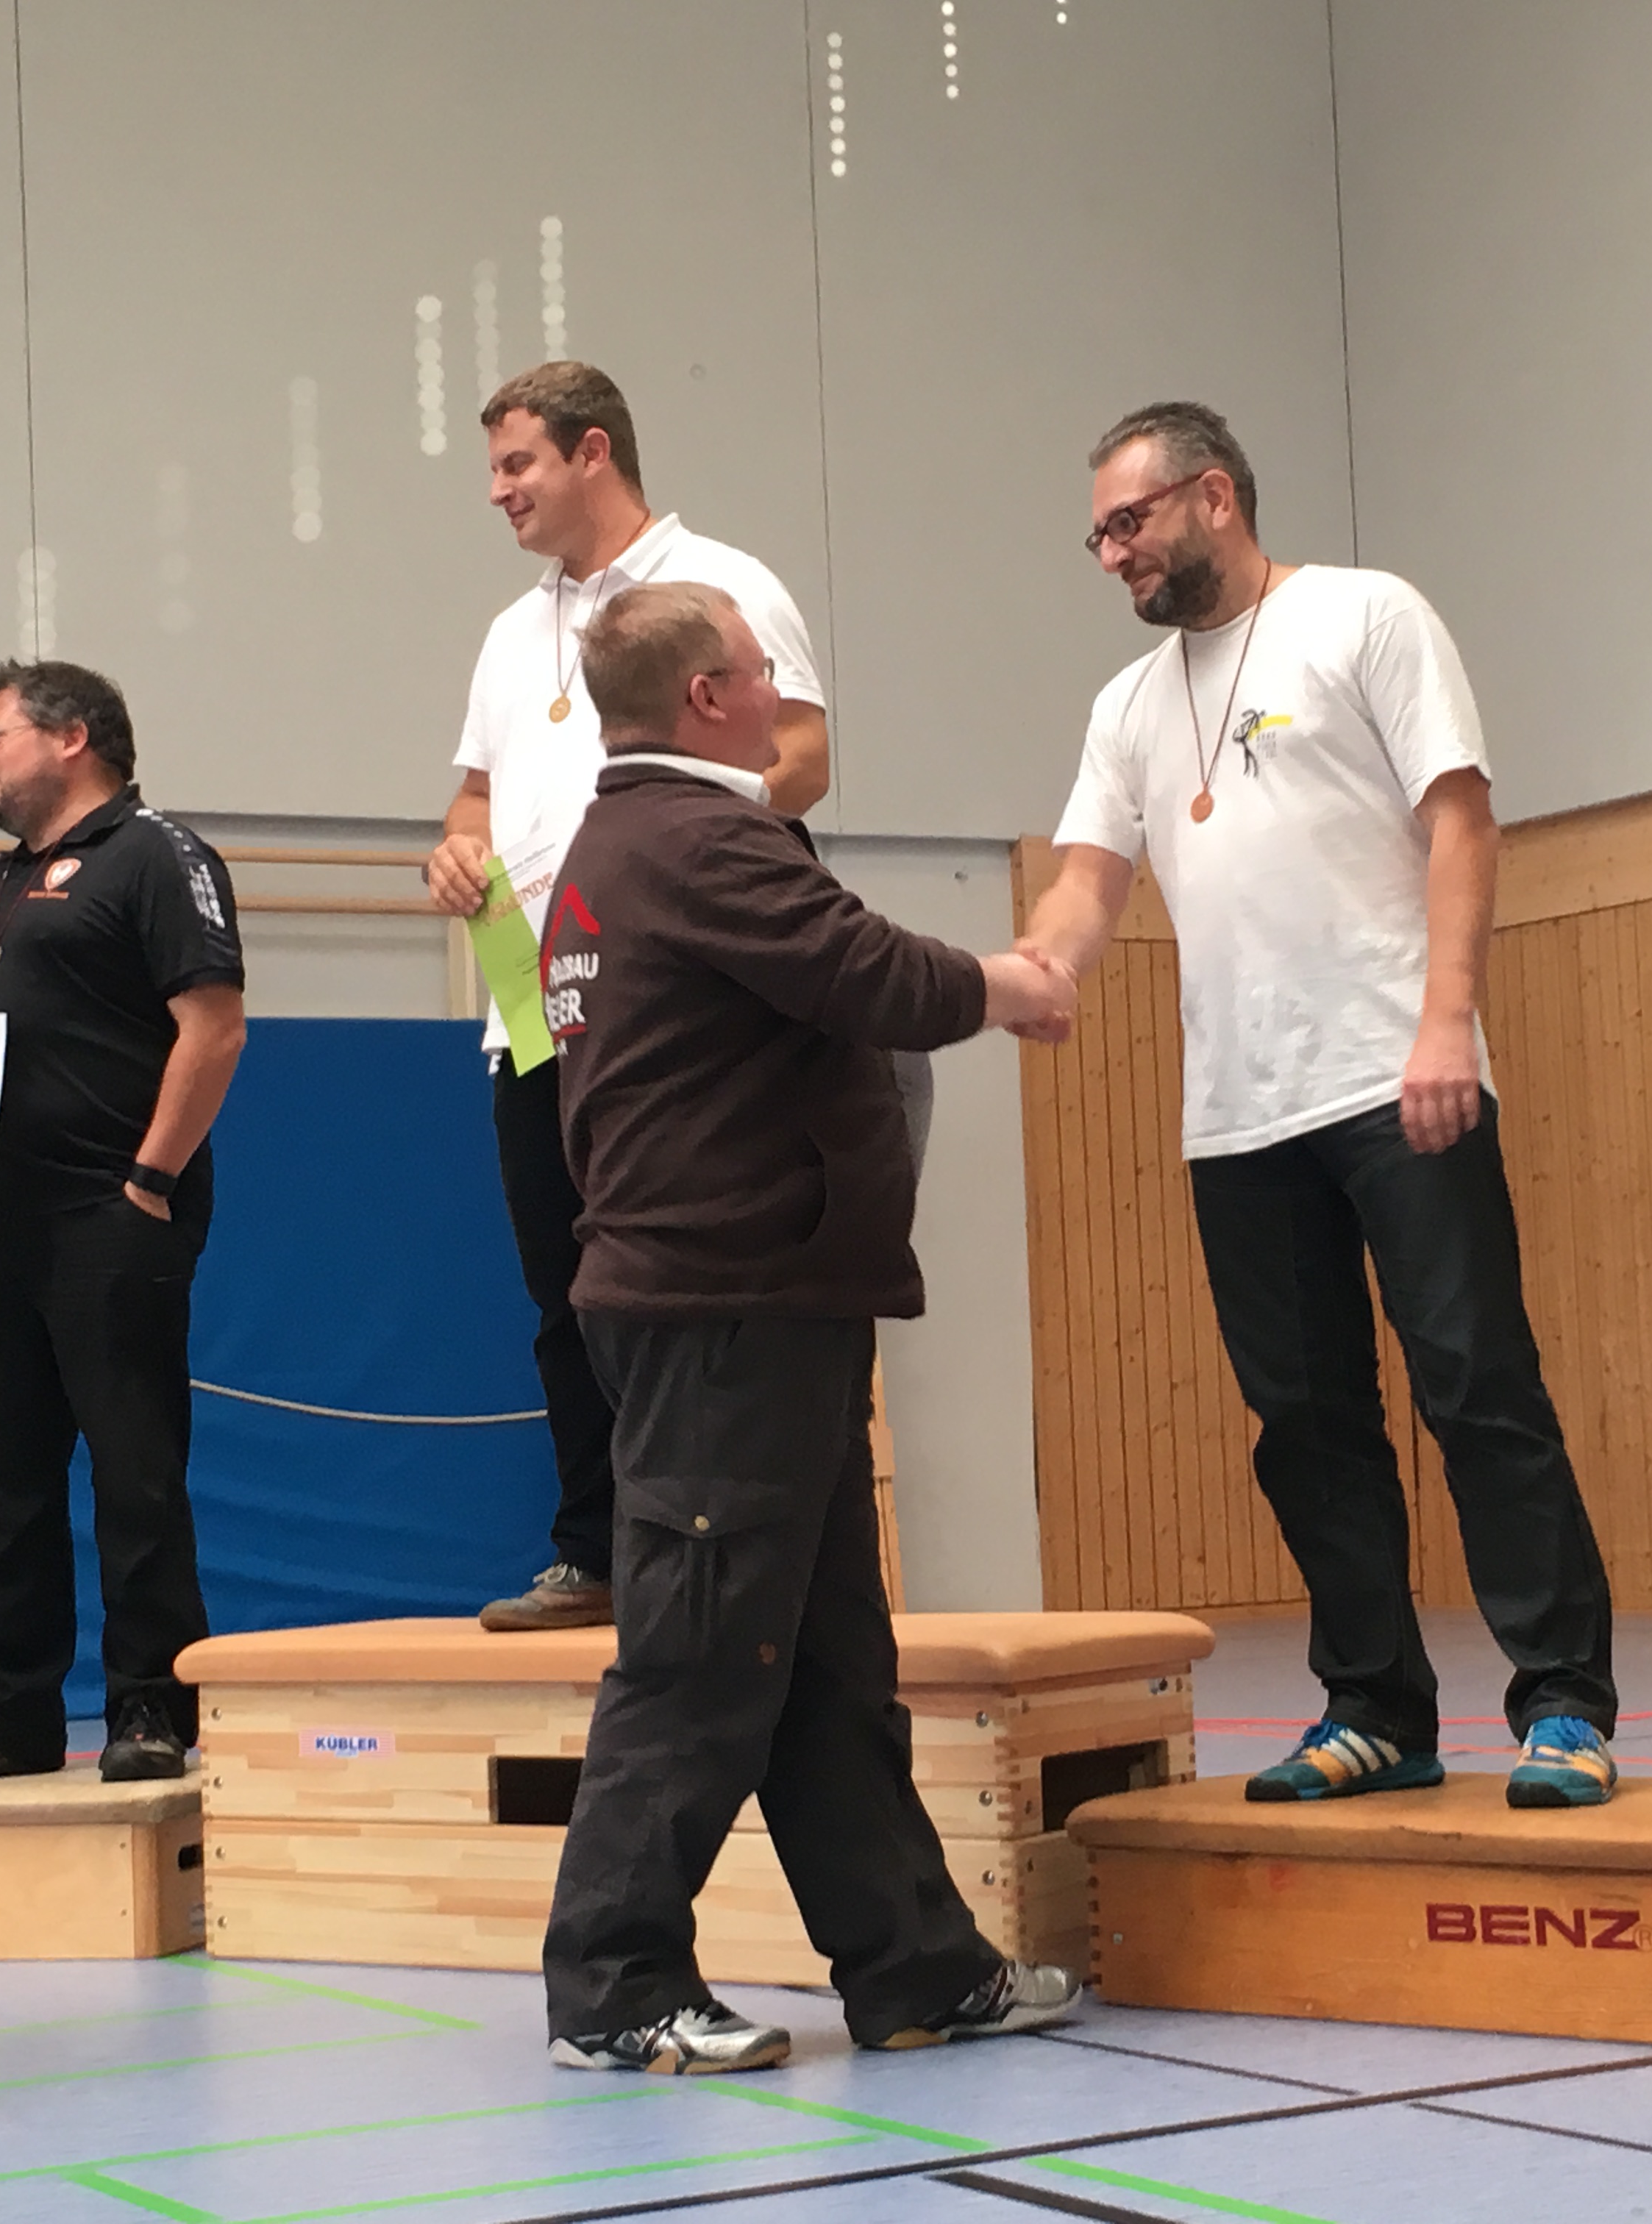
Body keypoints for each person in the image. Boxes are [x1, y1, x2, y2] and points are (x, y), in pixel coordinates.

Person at [1020, 402, 1621, 1809]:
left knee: (1476, 1387)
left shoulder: (1364, 616)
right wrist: (1036, 969)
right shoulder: (1125, 707)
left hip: (1395, 1074)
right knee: (1305, 1426)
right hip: (1238, 1117)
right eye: (1095, 535)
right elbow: (1088, 878)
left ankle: (1562, 1702)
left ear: (1213, 496)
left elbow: (1460, 819)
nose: (1110, 555)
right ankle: (1374, 1706)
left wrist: (1445, 1020)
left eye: (1127, 522)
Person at [535, 580, 1078, 2072]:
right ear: (707, 697)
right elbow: (866, 971)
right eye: (761, 668)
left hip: (769, 1305)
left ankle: (915, 1967)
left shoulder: (621, 843)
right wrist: (1009, 984)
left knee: (829, 1661)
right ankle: (614, 1981)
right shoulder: (700, 838)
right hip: (722, 1314)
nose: (781, 689)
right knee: (700, 1653)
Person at [424, 361, 834, 1635]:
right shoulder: (510, 634)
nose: (498, 492)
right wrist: (455, 853)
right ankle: (595, 1548)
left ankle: (703, 1547)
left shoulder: (721, 582)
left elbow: (805, 756)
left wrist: (667, 848)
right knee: (564, 1288)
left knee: (683, 1282)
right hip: (528, 1000)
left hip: (670, 1005)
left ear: (592, 451)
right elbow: (474, 802)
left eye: (517, 465)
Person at [0, 661, 246, 1787]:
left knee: (134, 1471)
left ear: (72, 736)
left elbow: (215, 1028)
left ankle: (149, 1708)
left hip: (109, 1210)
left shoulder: (158, 855)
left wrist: (149, 1182)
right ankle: (5, 1714)